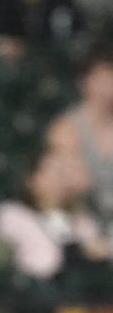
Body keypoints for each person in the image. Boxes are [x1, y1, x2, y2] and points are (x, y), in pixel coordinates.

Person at [0, 149, 110, 281]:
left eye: (62, 174)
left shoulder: (81, 220)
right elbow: (44, 260)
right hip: (27, 292)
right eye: (50, 173)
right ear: (31, 180)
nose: (58, 180)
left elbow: (98, 256)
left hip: (77, 293)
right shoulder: (11, 214)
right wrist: (82, 251)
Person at [46, 42, 113, 238]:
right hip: (85, 213)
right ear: (83, 82)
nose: (108, 84)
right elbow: (75, 183)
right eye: (101, 77)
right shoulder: (66, 128)